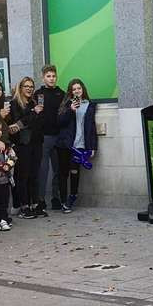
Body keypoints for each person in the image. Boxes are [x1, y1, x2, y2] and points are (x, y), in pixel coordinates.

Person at [56, 79, 97, 213]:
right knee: (63, 173)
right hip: (65, 145)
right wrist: (70, 110)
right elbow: (60, 123)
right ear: (70, 92)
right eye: (74, 89)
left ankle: (72, 198)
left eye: (79, 88)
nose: (77, 91)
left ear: (83, 89)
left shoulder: (89, 105)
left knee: (75, 172)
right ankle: (63, 201)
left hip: (79, 146)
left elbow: (92, 128)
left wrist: (92, 147)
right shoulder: (66, 104)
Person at [6, 76, 44, 219]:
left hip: (36, 142)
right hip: (23, 144)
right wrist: (34, 112)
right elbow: (18, 124)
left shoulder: (34, 102)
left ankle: (34, 204)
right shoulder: (15, 103)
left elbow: (37, 122)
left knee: (34, 174)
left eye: (31, 86)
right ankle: (23, 206)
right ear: (20, 88)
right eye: (26, 86)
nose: (29, 89)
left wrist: (37, 113)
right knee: (23, 175)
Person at [34, 65, 65, 212]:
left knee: (58, 169)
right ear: (43, 77)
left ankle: (56, 198)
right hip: (44, 138)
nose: (51, 79)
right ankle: (41, 201)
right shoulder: (38, 94)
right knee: (43, 170)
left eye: (53, 76)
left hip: (59, 137)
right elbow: (35, 115)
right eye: (48, 76)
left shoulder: (61, 93)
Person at [0, 121, 17, 231]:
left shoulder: (6, 146)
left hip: (3, 179)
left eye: (0, 130)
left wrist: (8, 165)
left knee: (3, 199)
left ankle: (3, 219)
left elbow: (13, 157)